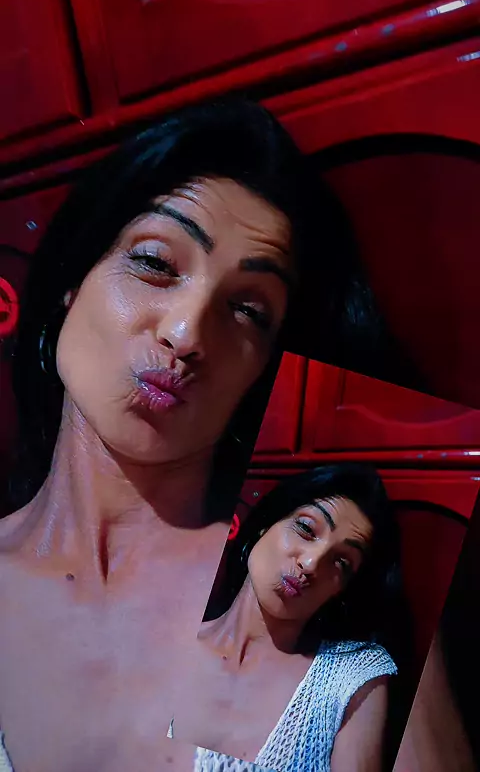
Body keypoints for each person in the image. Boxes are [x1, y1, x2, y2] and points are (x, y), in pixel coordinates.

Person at [0, 98, 401, 772]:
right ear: (73, 280)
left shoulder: (296, 625)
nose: (187, 334)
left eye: (247, 310)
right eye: (155, 263)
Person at [170, 464, 404, 772]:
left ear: (343, 590)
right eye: (306, 529)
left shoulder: (350, 678)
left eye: (341, 562)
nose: (311, 563)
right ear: (266, 525)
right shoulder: (167, 637)